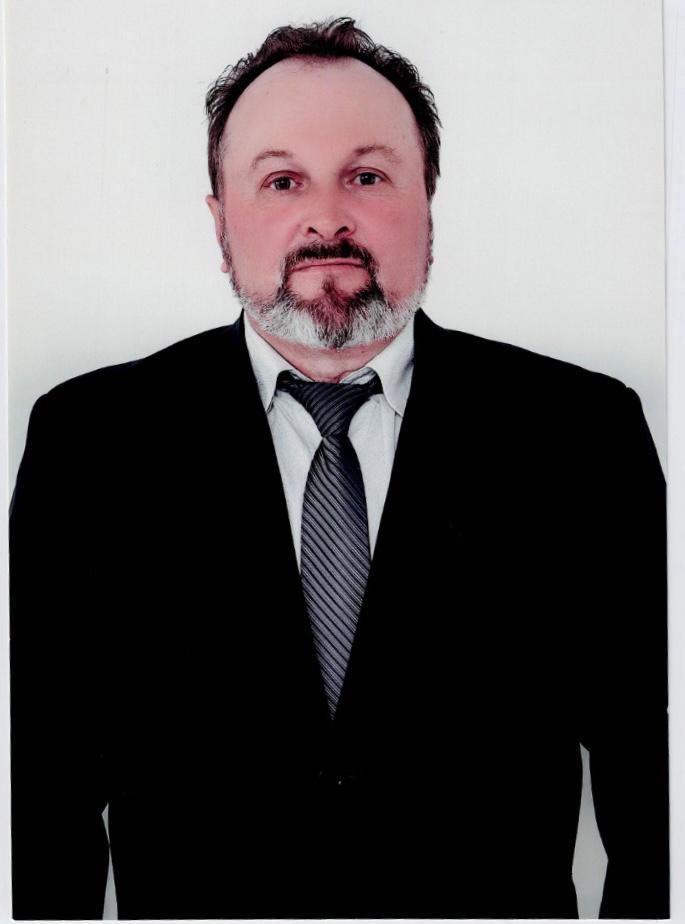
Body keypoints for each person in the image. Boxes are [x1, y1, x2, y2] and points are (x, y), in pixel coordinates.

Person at [10, 17, 668, 920]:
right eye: (282, 180)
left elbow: (658, 792)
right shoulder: (89, 444)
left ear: (427, 201)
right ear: (221, 220)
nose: (326, 218)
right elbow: (37, 807)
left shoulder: (580, 437)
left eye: (366, 176)